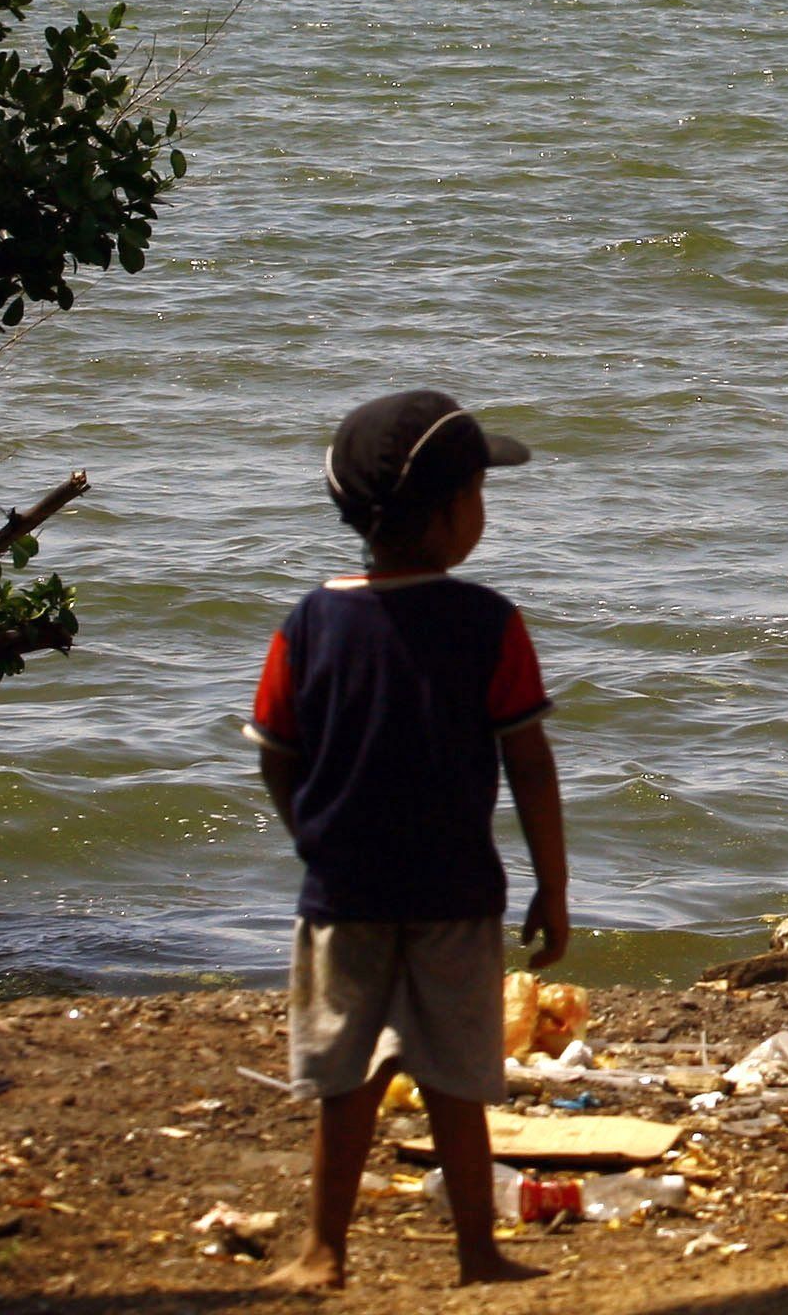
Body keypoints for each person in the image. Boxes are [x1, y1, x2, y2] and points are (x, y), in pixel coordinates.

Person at [248, 389, 571, 1290]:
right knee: (457, 1081)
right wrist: (554, 884)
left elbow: (276, 751)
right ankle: (475, 1250)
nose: (482, 512)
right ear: (448, 514)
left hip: (342, 892)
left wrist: (311, 831)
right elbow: (530, 764)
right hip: (457, 892)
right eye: (478, 494)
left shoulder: (310, 623)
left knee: (342, 1081)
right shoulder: (488, 623)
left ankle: (322, 1252)